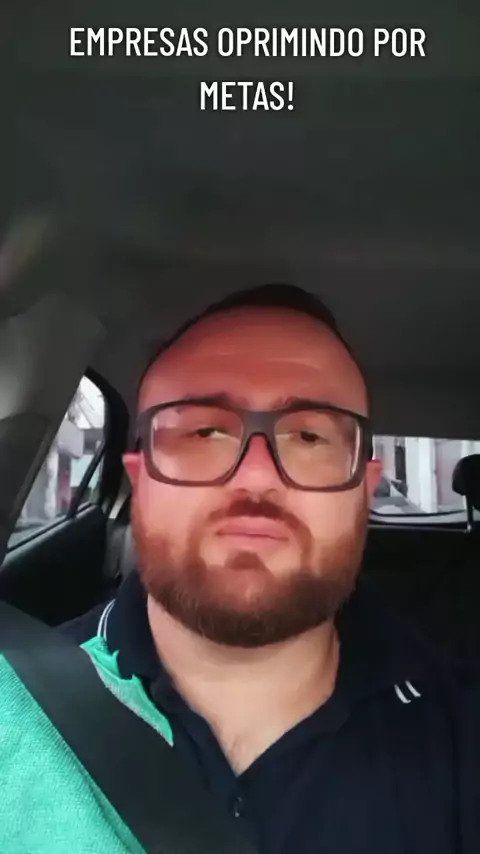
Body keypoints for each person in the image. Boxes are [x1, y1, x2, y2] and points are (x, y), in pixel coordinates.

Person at [0, 284, 478, 853]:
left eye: (309, 437)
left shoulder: (460, 727)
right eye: (204, 431)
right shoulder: (18, 712)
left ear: (364, 487)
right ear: (139, 477)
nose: (256, 477)